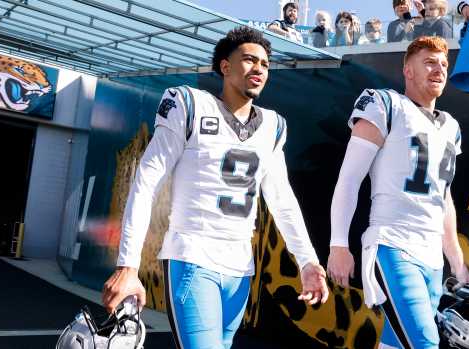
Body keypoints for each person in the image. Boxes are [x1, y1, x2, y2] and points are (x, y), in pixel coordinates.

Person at [101, 26, 329, 349]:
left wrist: (308, 262)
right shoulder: (189, 105)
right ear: (225, 66)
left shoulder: (274, 127)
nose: (259, 69)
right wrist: (128, 265)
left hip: (239, 270)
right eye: (250, 60)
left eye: (265, 64)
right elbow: (146, 181)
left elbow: (282, 200)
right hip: (194, 257)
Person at [327, 36, 469, 349]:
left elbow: (444, 199)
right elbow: (350, 177)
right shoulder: (386, 104)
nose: (439, 70)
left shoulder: (450, 126)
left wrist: (458, 262)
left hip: (432, 258)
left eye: (444, 64)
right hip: (393, 245)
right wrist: (338, 244)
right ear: (408, 70)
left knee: (394, 345)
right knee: (425, 344)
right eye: (429, 62)